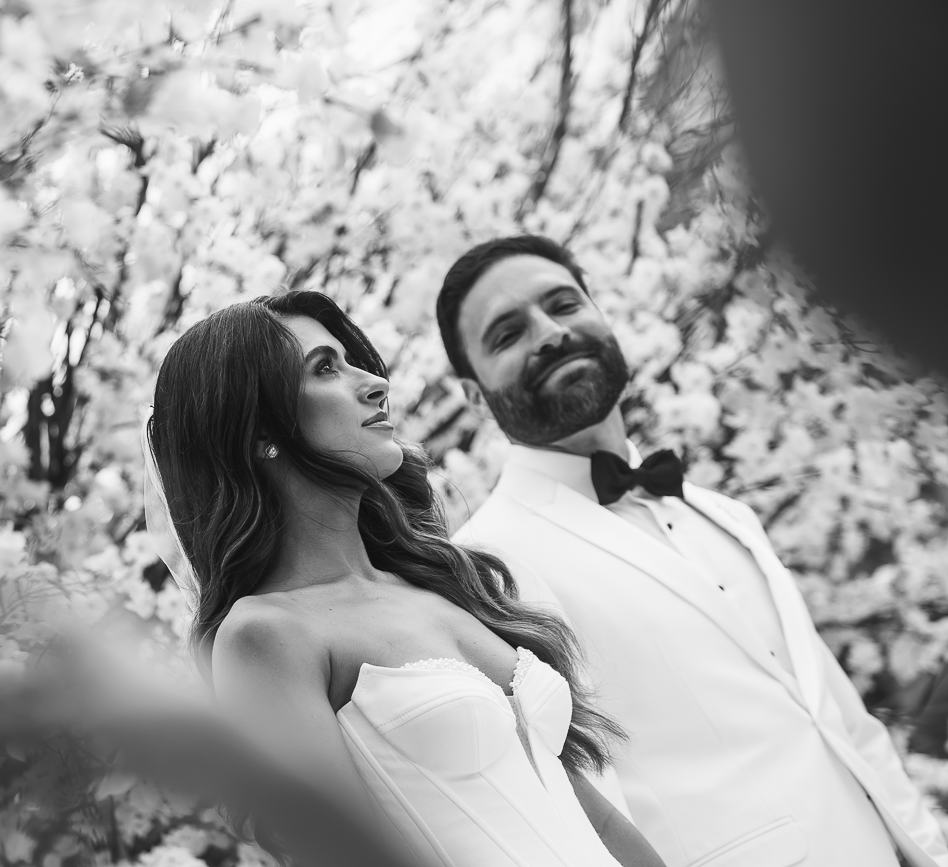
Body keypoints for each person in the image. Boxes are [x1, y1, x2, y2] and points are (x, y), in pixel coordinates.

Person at [438, 235, 948, 867]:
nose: (549, 333)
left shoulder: (722, 513)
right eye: (507, 332)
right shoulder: (488, 566)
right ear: (471, 393)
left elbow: (840, 718)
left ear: (600, 313)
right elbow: (570, 811)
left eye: (564, 304)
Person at [145, 290, 667, 867]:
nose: (374, 382)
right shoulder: (265, 635)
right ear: (255, 429)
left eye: (354, 360)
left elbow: (597, 819)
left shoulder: (443, 585)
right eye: (325, 369)